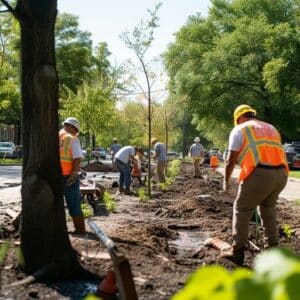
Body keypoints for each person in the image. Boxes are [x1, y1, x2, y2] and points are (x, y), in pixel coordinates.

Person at [222, 104, 289, 265]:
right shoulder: (271, 128)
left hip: (259, 173)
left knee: (242, 208)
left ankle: (237, 251)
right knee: (268, 209)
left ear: (238, 118)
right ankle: (272, 251)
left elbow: (231, 160)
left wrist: (225, 180)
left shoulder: (240, 129)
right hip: (281, 174)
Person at [59, 117, 85, 233]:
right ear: (73, 128)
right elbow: (77, 157)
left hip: (55, 176)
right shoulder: (72, 139)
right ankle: (80, 230)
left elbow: (64, 157)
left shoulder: (56, 136)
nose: (76, 134)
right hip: (68, 176)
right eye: (76, 131)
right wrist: (74, 172)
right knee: (74, 204)